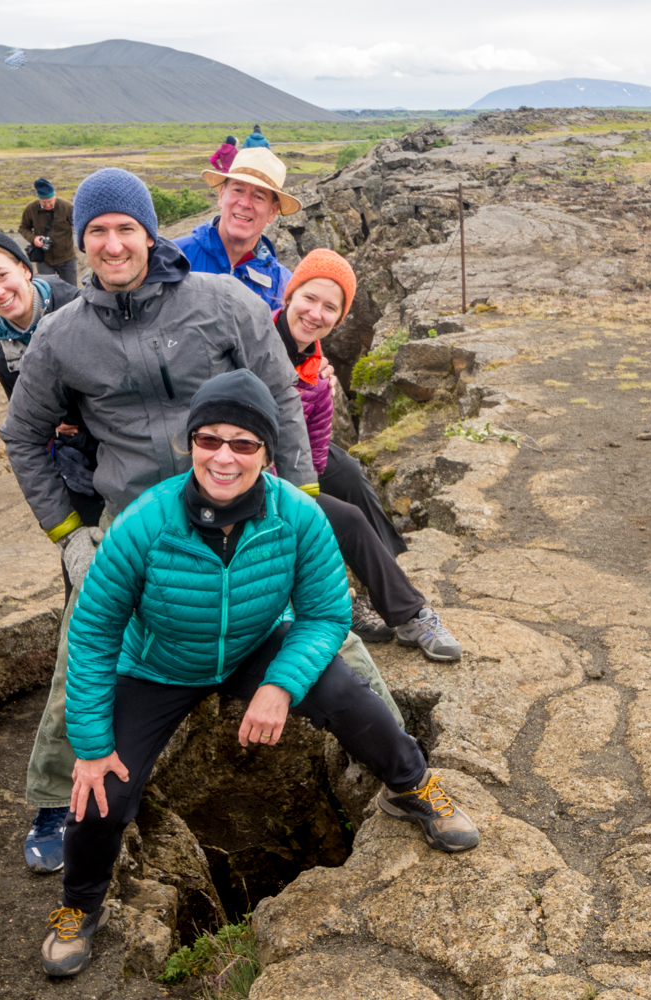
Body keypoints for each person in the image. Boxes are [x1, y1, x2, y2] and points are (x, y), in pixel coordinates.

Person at [36, 370, 479, 977]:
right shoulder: (144, 522)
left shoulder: (297, 515)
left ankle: (410, 787)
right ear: (189, 444)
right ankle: (80, 907)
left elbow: (325, 615)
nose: (224, 457)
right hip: (158, 664)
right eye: (209, 439)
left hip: (251, 645)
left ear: (267, 453)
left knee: (349, 694)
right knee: (99, 793)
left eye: (243, 443)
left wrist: (277, 685)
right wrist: (90, 745)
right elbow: (92, 632)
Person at [0, 166, 319, 875]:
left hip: (245, 500)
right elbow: (21, 434)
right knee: (83, 644)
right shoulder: (59, 337)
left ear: (149, 233)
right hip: (136, 519)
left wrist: (303, 498)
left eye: (126, 229)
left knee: (328, 633)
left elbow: (280, 397)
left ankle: (405, 762)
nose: (113, 246)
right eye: (97, 233)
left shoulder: (221, 301)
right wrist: (69, 533)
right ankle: (56, 797)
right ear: (80, 244)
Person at [274, 249, 461, 659]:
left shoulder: (317, 370)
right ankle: (409, 613)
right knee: (346, 517)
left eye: (330, 308)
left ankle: (386, 583)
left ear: (339, 320)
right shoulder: (255, 340)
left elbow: (316, 454)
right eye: (309, 298)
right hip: (245, 466)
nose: (315, 313)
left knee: (351, 476)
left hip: (292, 458)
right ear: (290, 295)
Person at [0, 231, 104, 531]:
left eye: (2, 275)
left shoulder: (83, 307)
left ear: (25, 269)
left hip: (124, 450)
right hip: (77, 467)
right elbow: (31, 429)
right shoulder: (4, 359)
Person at [175, 147, 298, 313]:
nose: (245, 203)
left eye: (258, 196)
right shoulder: (173, 257)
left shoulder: (282, 287)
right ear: (221, 195)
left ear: (272, 211)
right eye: (238, 190)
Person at [19, 178, 79, 286]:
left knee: (72, 293)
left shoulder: (67, 207)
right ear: (38, 198)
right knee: (47, 292)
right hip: (44, 260)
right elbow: (23, 228)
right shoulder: (31, 208)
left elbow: (79, 225)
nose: (47, 205)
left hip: (67, 259)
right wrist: (34, 239)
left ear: (55, 195)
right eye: (44, 202)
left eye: (50, 202)